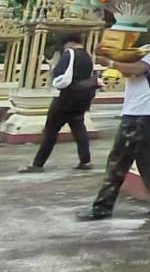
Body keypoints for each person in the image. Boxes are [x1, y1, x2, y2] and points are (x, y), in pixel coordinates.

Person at [80, 12, 150, 219]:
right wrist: (110, 54)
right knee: (147, 160)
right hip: (140, 109)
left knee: (118, 159)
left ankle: (102, 207)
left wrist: (111, 63)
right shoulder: (149, 47)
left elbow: (138, 69)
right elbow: (129, 68)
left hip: (140, 111)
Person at [21, 32, 97, 173]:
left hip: (65, 99)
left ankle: (38, 163)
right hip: (81, 99)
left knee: (50, 132)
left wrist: (52, 66)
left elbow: (57, 75)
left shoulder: (69, 54)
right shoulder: (88, 57)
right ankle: (85, 160)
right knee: (79, 129)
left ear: (68, 43)